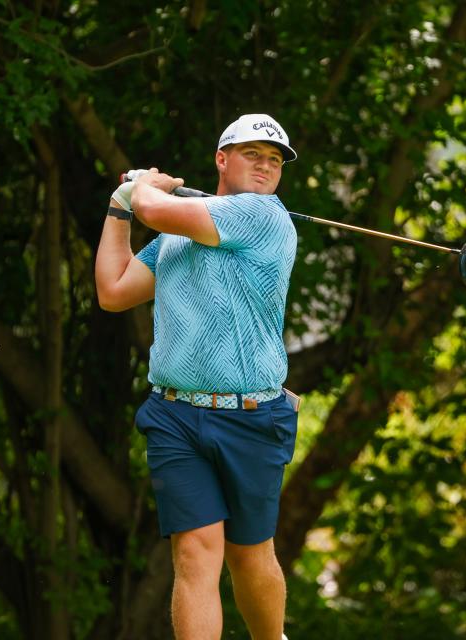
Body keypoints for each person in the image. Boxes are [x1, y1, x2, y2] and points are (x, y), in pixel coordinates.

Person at [94, 113, 300, 640]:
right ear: (221, 159)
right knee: (193, 554)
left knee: (249, 558)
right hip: (176, 416)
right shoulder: (177, 235)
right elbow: (113, 291)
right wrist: (119, 209)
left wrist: (140, 189)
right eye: (253, 154)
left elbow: (156, 208)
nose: (265, 166)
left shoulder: (262, 216)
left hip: (251, 417)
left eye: (275, 160)